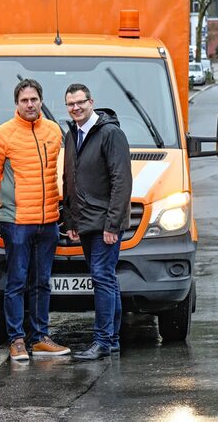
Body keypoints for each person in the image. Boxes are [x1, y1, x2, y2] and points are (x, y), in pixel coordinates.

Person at [0, 78, 71, 361]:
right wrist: (2, 212)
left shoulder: (53, 131)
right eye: (24, 100)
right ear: (17, 104)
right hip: (18, 221)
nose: (30, 104)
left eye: (34, 99)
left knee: (42, 282)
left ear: (41, 101)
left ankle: (40, 337)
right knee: (17, 281)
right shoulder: (3, 135)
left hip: (48, 221)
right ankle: (17, 340)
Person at [62, 83, 131, 360]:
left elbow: (121, 181)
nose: (76, 108)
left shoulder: (110, 133)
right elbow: (70, 180)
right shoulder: (72, 134)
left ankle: (102, 341)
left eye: (80, 102)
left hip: (104, 223)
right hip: (85, 222)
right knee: (106, 280)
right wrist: (71, 221)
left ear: (92, 101)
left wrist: (113, 225)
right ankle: (111, 340)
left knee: (102, 278)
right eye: (70, 104)